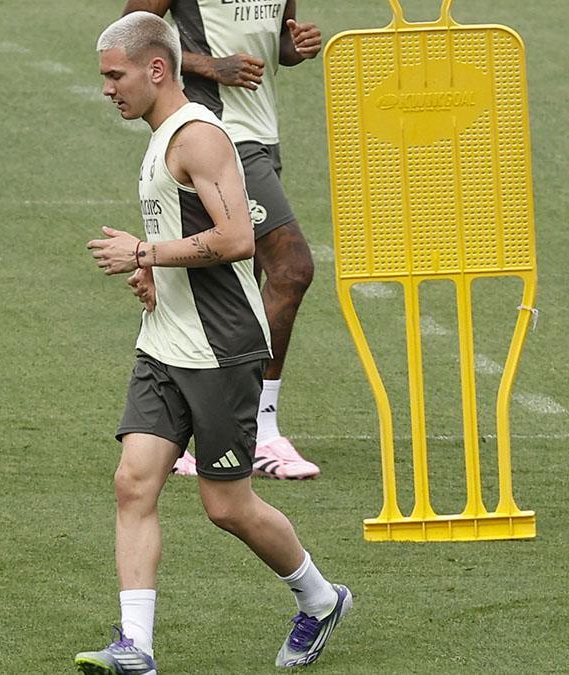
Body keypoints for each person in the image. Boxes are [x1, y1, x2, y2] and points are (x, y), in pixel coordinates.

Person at [74, 13, 350, 673]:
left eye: (116, 76)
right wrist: (153, 268)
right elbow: (185, 225)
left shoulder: (199, 136)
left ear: (156, 69)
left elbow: (235, 241)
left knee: (227, 505)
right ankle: (135, 647)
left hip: (221, 349)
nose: (108, 89)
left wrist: (143, 250)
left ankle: (319, 598)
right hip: (163, 345)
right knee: (133, 482)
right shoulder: (161, 133)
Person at [121, 0, 323, 480]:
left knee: (233, 286)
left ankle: (192, 431)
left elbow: (277, 43)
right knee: (293, 268)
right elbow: (130, 36)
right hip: (217, 130)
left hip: (263, 132)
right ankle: (261, 427)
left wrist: (293, 48)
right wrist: (209, 66)